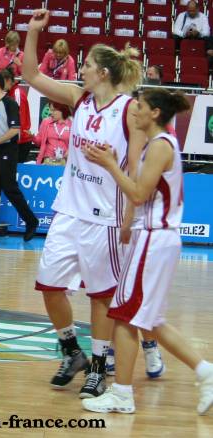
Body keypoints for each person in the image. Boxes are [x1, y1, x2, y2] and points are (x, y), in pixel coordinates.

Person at [23, 10, 146, 399]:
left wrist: (129, 218)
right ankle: (71, 351)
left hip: (105, 218)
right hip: (68, 211)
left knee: (100, 296)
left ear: (104, 73)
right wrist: (31, 33)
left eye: (88, 65)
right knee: (49, 286)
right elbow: (31, 75)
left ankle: (97, 367)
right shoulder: (79, 99)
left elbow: (138, 171)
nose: (83, 70)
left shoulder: (129, 110)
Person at [81, 88, 213, 416]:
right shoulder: (158, 145)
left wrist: (111, 165)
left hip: (154, 238)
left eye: (138, 107)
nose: (133, 112)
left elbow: (138, 194)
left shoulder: (160, 146)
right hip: (156, 238)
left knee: (124, 315)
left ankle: (122, 394)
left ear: (154, 113)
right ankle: (206, 372)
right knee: (150, 320)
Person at [0, 73, 38, 242]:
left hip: (7, 152)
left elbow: (14, 130)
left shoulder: (9, 103)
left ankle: (31, 221)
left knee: (10, 189)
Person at [1, 68, 34, 162]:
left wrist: (14, 141)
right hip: (14, 140)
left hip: (20, 141)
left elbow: (20, 119)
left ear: (8, 80)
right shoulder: (8, 93)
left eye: (1, 82)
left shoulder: (17, 93)